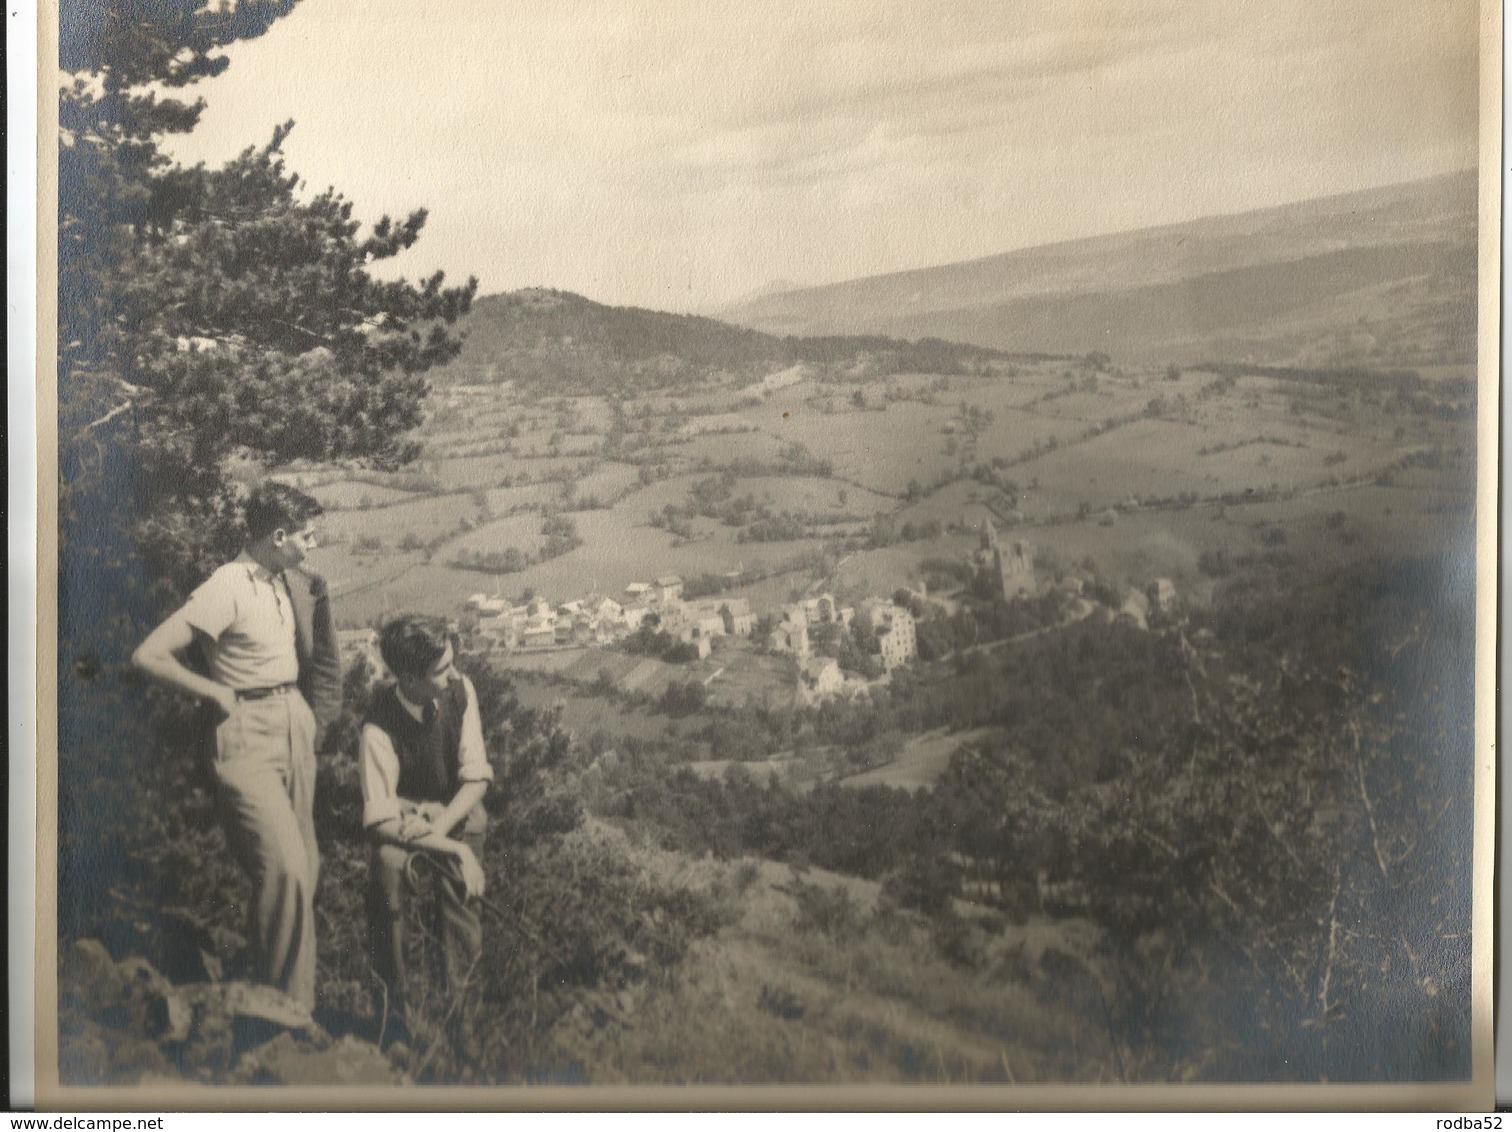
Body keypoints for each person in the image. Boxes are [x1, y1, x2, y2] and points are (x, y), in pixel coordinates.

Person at [132, 483, 342, 1014]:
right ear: (277, 536)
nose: (313, 545)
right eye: (306, 536)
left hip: (293, 720)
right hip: (245, 730)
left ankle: (290, 1004)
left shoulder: (289, 580)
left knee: (306, 868)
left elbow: (318, 658)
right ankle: (282, 1013)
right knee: (285, 869)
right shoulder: (227, 584)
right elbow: (150, 655)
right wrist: (214, 691)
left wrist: (311, 721)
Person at [360, 614, 492, 1026]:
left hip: (456, 811)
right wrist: (445, 842)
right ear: (411, 680)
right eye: (442, 670)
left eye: (452, 662)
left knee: (460, 894)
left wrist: (442, 831)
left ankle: (464, 1022)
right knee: (388, 871)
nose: (454, 675)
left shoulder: (461, 691)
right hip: (404, 820)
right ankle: (399, 1017)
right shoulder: (378, 725)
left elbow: (475, 778)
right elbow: (380, 818)